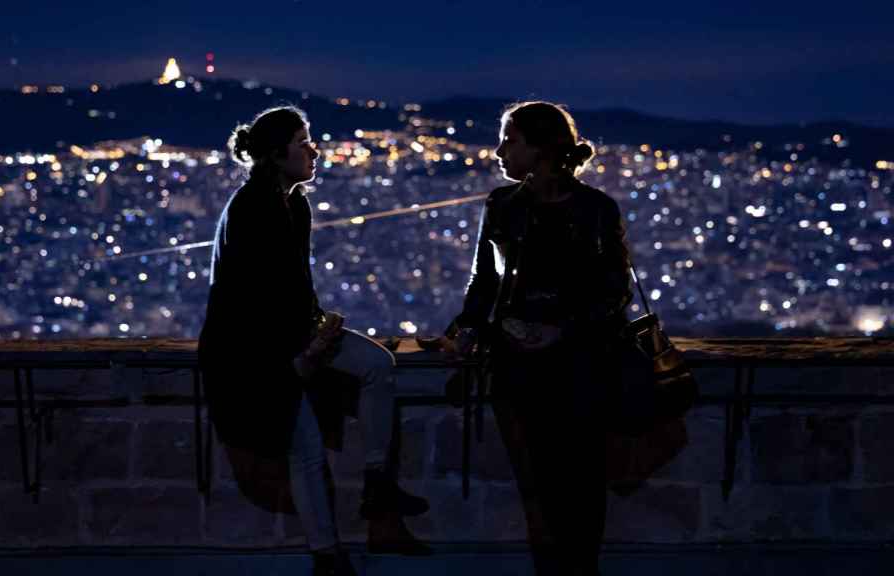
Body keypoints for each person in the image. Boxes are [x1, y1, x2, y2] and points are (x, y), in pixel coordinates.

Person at [197, 106, 429, 576]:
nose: (314, 150)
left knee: (378, 366)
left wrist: (317, 326)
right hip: (256, 355)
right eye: (304, 142)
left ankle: (376, 487)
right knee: (304, 447)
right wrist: (305, 354)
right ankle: (328, 554)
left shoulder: (292, 202)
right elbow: (253, 301)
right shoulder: (253, 208)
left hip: (294, 335)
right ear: (276, 153)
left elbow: (291, 285)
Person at [446, 101, 633, 576]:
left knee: (580, 485)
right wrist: (469, 326)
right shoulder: (503, 205)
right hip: (519, 366)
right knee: (537, 487)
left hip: (578, 366)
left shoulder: (595, 210)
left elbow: (615, 291)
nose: (499, 150)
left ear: (541, 147)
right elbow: (483, 281)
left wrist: (560, 329)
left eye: (509, 139)